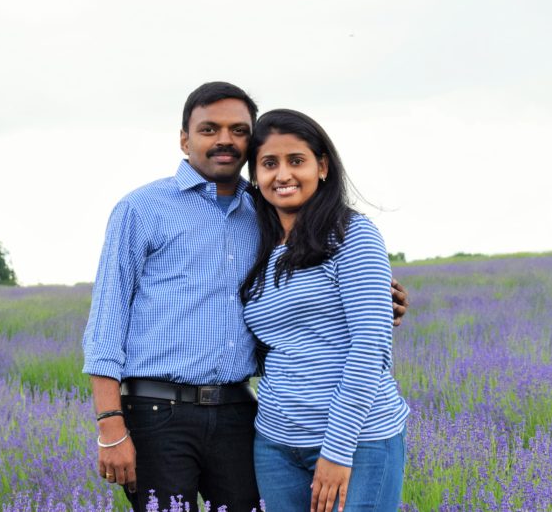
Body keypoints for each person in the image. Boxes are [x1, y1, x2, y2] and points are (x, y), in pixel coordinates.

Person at [82, 83, 407, 511]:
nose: (224, 140)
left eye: (238, 130)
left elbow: (335, 303)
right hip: (159, 413)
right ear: (184, 139)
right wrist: (111, 426)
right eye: (208, 129)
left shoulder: (264, 212)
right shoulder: (142, 209)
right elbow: (105, 326)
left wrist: (377, 301)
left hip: (240, 413)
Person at [241, 109, 410, 512]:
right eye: (269, 164)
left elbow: (370, 348)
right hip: (276, 444)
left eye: (295, 161)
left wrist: (336, 450)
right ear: (256, 176)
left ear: (322, 167)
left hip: (357, 442)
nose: (282, 175)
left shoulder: (353, 235)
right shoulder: (260, 247)